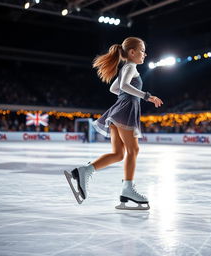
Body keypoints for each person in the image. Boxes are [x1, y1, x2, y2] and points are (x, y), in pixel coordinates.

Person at [64, 37, 163, 210]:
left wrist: (126, 97)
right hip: (125, 111)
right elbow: (124, 85)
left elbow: (114, 88)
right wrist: (148, 96)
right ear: (132, 52)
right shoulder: (131, 67)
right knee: (133, 150)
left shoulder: (127, 67)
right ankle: (127, 189)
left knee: (119, 154)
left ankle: (84, 171)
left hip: (119, 110)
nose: (145, 54)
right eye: (142, 50)